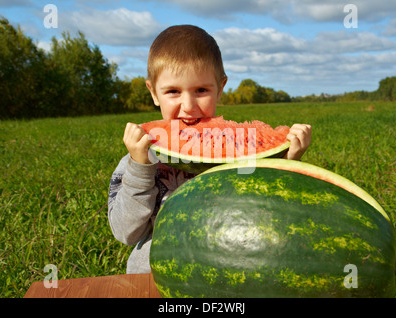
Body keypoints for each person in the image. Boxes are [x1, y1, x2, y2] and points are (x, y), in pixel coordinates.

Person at [107, 25, 312, 274]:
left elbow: (267, 215)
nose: (188, 106)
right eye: (173, 91)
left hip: (225, 277)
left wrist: (286, 161)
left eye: (201, 90)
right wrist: (139, 167)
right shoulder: (137, 161)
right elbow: (125, 233)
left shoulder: (240, 154)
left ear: (221, 87)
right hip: (152, 278)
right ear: (153, 92)